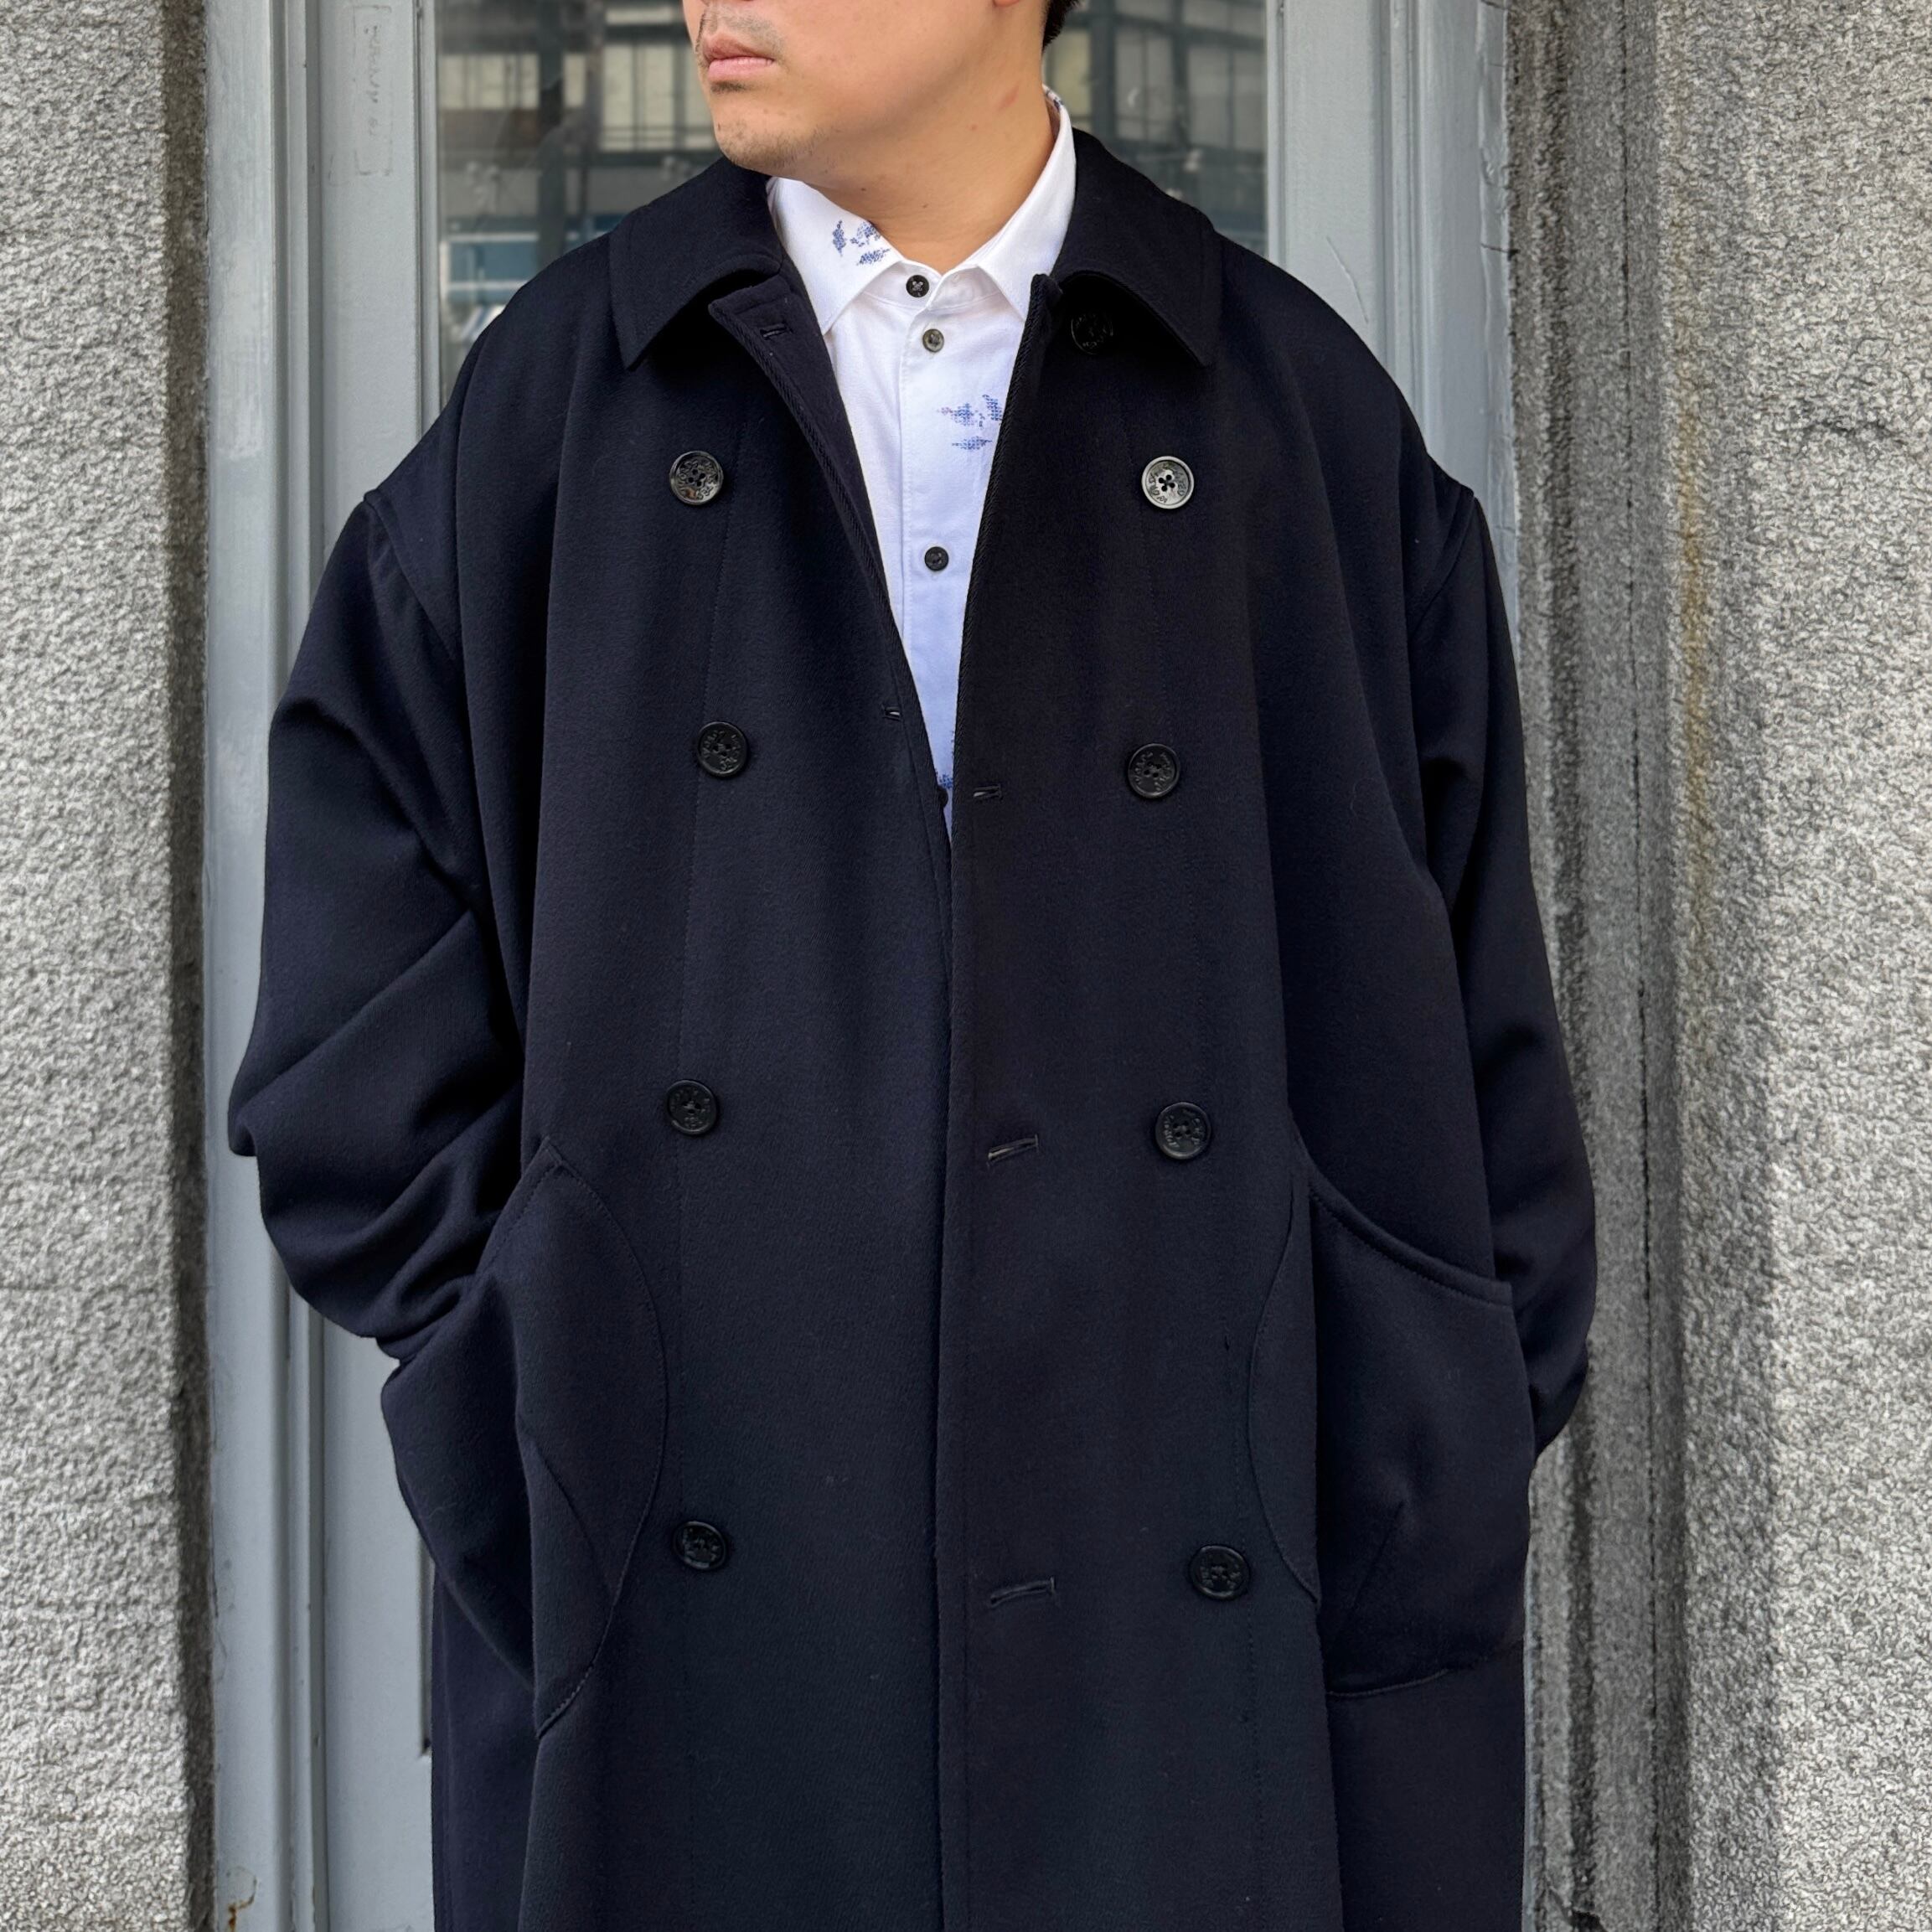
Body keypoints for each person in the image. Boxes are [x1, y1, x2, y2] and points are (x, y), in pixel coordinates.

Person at [228, 0, 1597, 1925]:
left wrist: (1419, 1424)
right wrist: (528, 1370)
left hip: (1188, 1603)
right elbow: (352, 1014)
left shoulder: (1285, 413)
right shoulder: (567, 402)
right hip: (694, 1589)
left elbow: (1474, 1051)